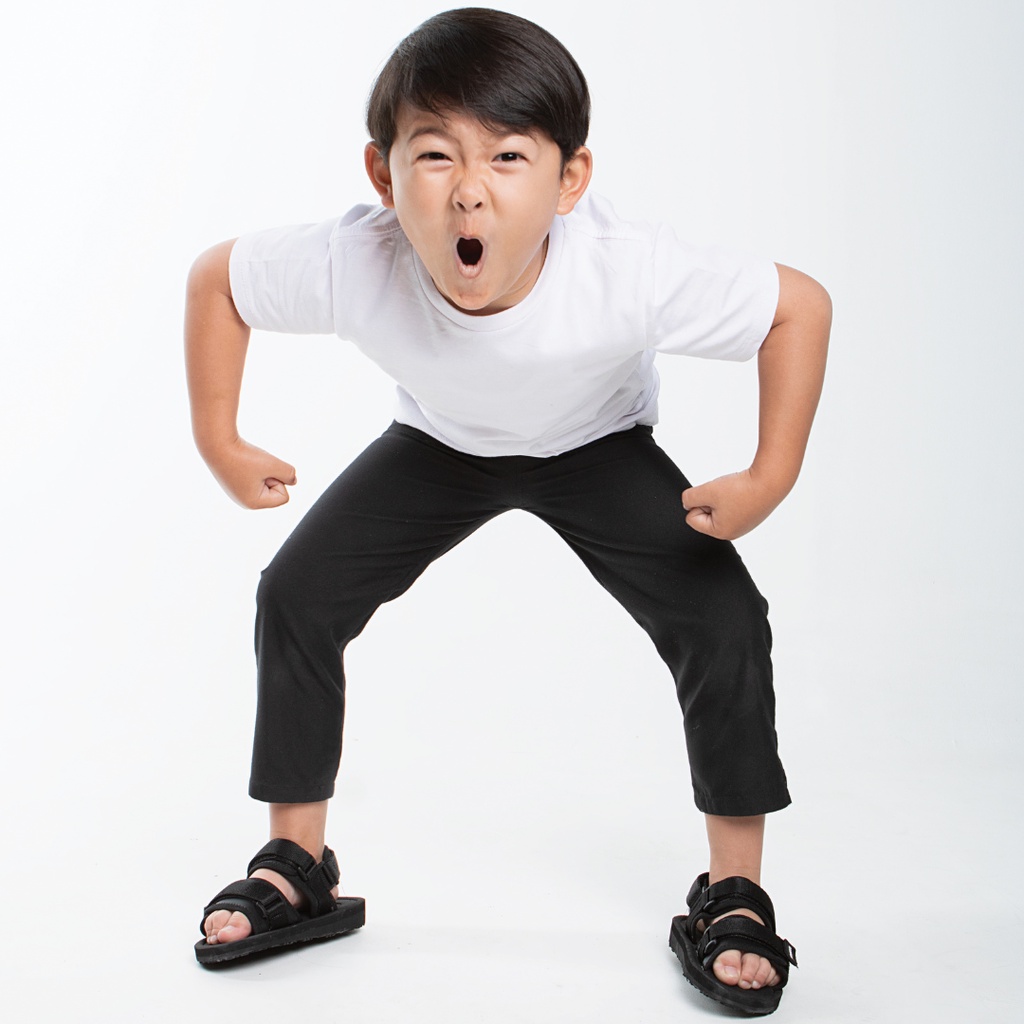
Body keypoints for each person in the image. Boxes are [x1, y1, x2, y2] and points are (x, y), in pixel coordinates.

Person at [185, 7, 829, 1015]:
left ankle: (734, 890)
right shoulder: (357, 258)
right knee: (297, 595)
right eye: (434, 155)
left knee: (722, 619)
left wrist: (768, 473)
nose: (469, 189)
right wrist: (220, 439)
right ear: (383, 174)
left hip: (596, 446)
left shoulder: (624, 268)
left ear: (570, 181)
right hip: (439, 447)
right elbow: (216, 281)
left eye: (509, 156)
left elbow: (798, 306)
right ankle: (295, 863)